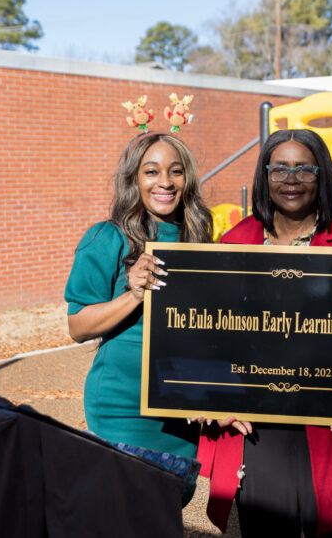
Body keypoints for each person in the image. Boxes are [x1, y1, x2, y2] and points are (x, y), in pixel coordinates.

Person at [197, 129, 332, 538]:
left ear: (323, 176)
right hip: (259, 426)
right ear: (264, 176)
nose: (291, 178)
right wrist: (210, 394)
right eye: (279, 168)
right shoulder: (233, 242)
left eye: (304, 169)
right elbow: (214, 335)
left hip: (331, 420)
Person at [65, 131, 212, 462]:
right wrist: (133, 295)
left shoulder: (201, 239)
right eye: (151, 171)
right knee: (122, 507)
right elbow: (78, 326)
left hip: (182, 408)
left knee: (169, 505)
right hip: (122, 411)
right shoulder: (107, 238)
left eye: (176, 171)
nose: (165, 182)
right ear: (134, 178)